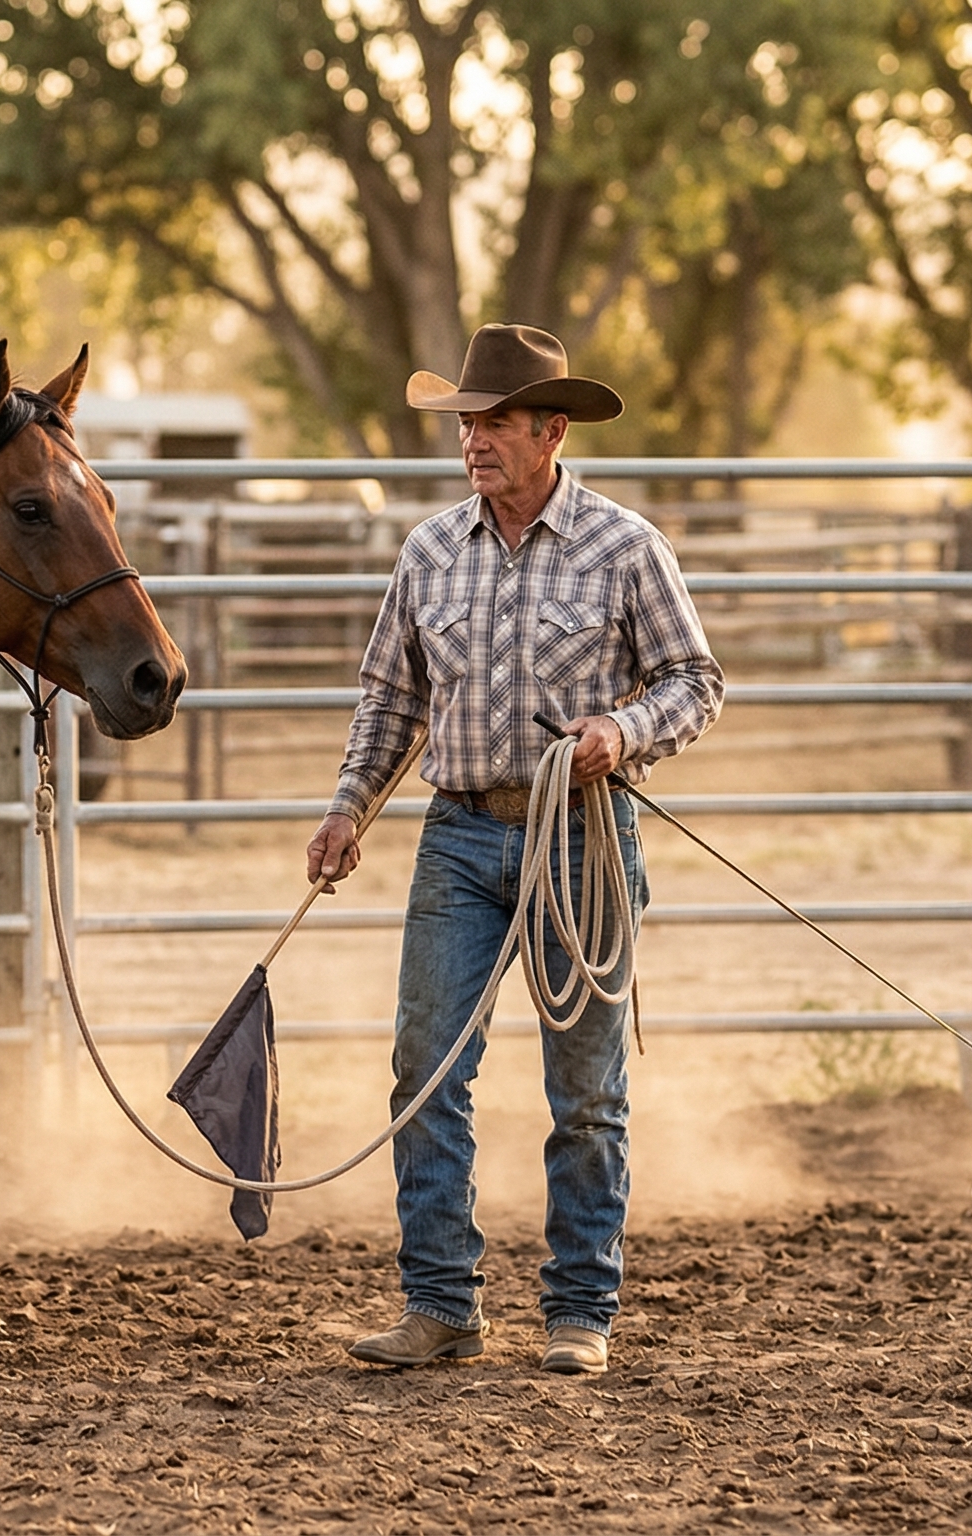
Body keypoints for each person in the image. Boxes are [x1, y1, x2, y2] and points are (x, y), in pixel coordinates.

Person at [309, 324, 722, 1377]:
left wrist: (617, 733)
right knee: (423, 1067)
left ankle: (579, 1308)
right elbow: (391, 698)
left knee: (584, 1088)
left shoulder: (625, 547)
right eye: (466, 421)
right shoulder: (430, 552)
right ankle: (440, 1304)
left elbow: (693, 682)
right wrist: (349, 806)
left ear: (549, 430)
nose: (472, 439)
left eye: (493, 421)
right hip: (457, 833)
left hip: (579, 833)